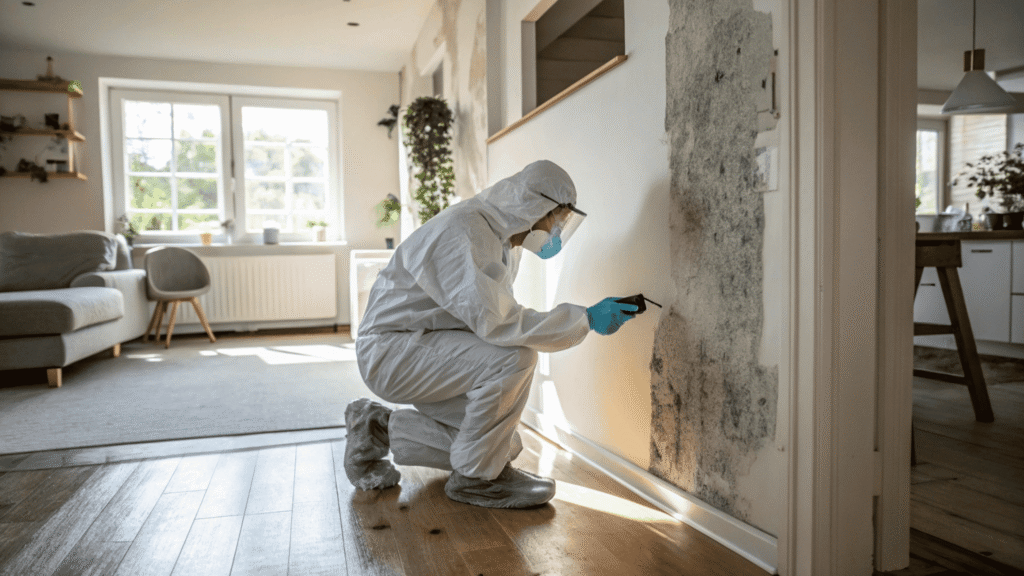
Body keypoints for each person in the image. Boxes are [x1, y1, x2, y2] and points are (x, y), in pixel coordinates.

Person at [344, 159, 639, 509]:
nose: (557, 233)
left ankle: (376, 426)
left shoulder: (499, 240)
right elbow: (500, 324)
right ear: (534, 206)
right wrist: (584, 319)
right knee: (517, 359)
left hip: (418, 345)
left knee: (500, 443)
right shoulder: (465, 232)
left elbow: (489, 319)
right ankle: (476, 480)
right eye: (556, 221)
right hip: (392, 350)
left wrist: (582, 321)